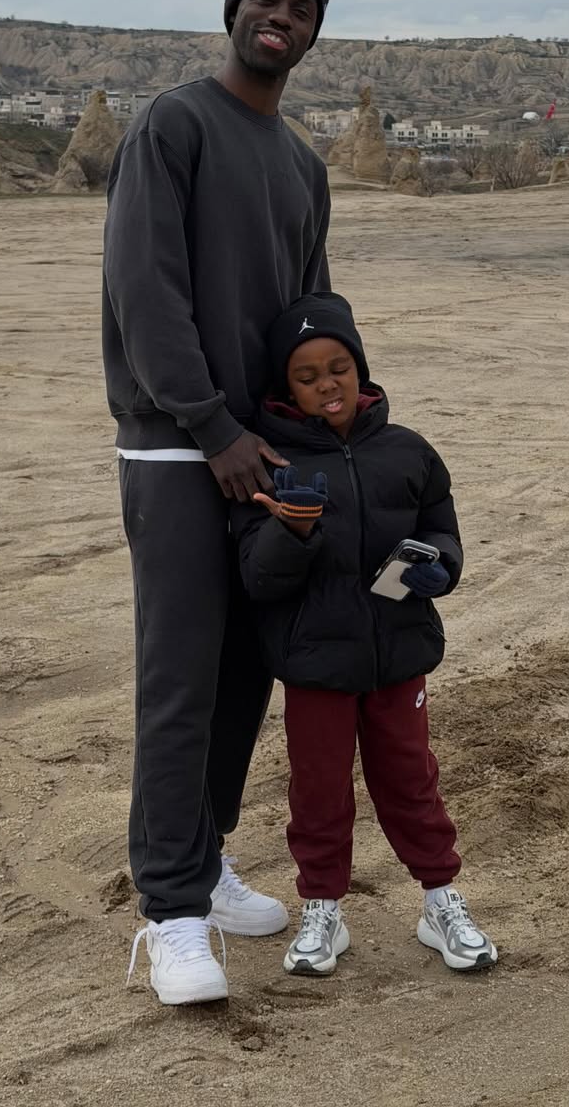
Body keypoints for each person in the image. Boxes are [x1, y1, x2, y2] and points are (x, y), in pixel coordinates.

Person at [103, 0, 333, 1005]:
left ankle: (206, 858)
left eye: (300, 6)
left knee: (247, 671)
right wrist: (209, 425)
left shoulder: (302, 164)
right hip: (176, 444)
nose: (279, 15)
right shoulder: (174, 124)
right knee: (183, 678)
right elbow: (144, 289)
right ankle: (170, 913)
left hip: (263, 450)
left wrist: (327, 420)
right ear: (233, 10)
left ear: (314, 32)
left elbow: (309, 313)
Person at [230, 292, 498, 977]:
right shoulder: (269, 462)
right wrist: (293, 530)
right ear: (286, 386)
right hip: (316, 663)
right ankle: (323, 908)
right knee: (319, 789)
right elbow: (259, 578)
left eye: (339, 368)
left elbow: (440, 527)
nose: (327, 384)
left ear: (361, 368)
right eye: (307, 376)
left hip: (399, 653)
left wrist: (442, 567)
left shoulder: (408, 450)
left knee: (412, 779)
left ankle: (440, 902)